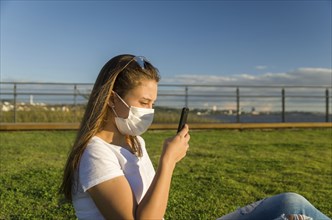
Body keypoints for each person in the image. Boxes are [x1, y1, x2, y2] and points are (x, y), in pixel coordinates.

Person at [59, 54, 330, 220]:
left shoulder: (133, 142)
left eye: (153, 103)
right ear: (111, 99)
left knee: (290, 202)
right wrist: (168, 163)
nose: (148, 111)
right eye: (143, 101)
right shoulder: (96, 154)